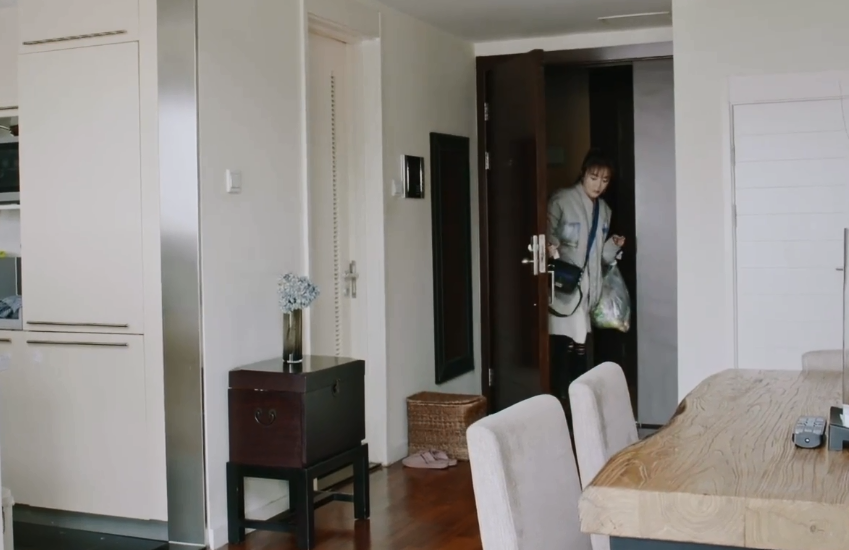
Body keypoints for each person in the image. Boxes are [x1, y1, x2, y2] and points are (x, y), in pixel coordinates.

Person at [547, 149, 625, 398]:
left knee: (580, 343)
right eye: (594, 177)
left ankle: (574, 399)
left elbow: (601, 257)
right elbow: (546, 234)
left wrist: (613, 245)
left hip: (588, 289)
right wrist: (550, 246)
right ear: (583, 174)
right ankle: (561, 397)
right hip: (564, 288)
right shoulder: (562, 200)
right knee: (564, 342)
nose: (598, 185)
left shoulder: (604, 211)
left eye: (604, 180)